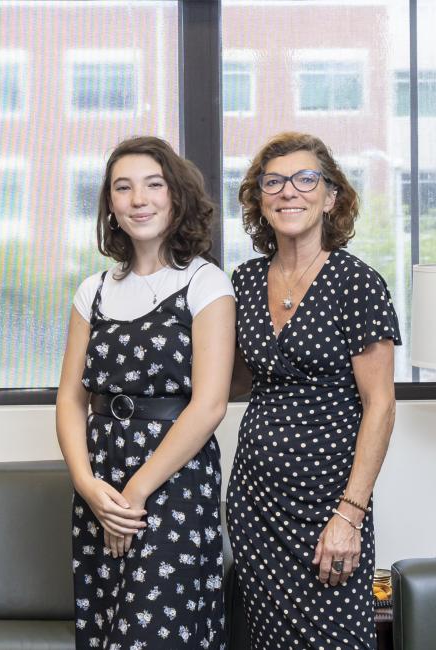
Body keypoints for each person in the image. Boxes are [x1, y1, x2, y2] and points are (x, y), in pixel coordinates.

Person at [56, 136, 235, 649]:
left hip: (173, 482)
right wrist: (91, 487)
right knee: (107, 630)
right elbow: (70, 398)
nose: (140, 199)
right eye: (124, 188)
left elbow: (209, 406)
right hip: (102, 483)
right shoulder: (94, 289)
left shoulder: (205, 283)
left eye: (153, 185)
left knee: (154, 635)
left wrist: (135, 494)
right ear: (110, 205)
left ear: (175, 196)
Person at [226, 131, 400, 649]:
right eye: (273, 182)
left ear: (330, 197)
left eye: (306, 179)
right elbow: (234, 382)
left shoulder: (357, 283)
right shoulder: (244, 282)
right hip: (256, 502)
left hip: (331, 504)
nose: (289, 192)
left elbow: (381, 405)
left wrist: (350, 513)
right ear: (260, 202)